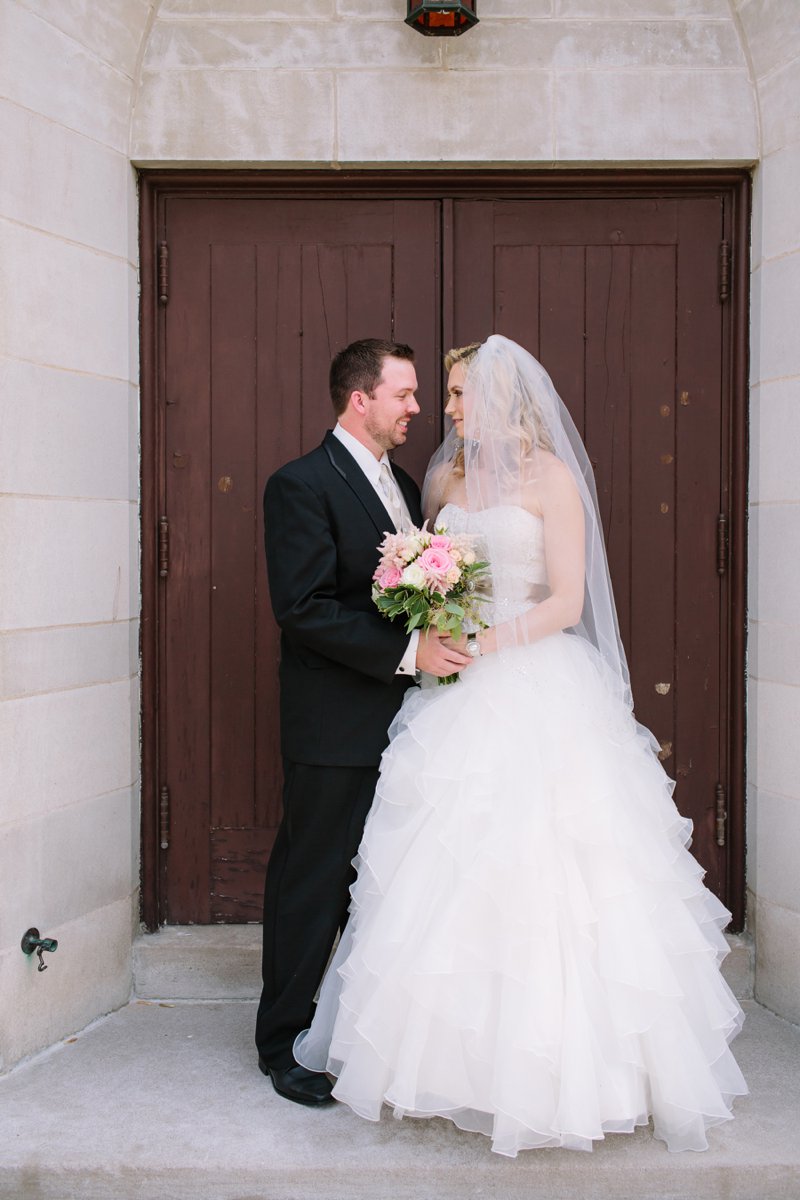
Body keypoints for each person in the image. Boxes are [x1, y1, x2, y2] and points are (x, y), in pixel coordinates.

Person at [294, 335, 748, 1153]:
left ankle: (571, 1076)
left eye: (462, 395)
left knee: (556, 873)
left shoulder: (554, 479)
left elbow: (569, 601)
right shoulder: (443, 479)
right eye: (446, 395)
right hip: (454, 690)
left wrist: (488, 647)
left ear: (504, 398)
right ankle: (453, 1065)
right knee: (449, 870)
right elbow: (427, 569)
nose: (448, 411)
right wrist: (429, 620)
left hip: (533, 682)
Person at [255, 338, 472, 1107]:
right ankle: (281, 1043)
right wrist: (413, 649)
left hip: (406, 723)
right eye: (406, 395)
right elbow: (304, 609)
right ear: (360, 400)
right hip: (333, 725)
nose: (418, 409)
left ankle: (349, 1032)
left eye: (420, 395)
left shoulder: (404, 484)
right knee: (313, 881)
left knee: (379, 884)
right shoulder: (301, 485)